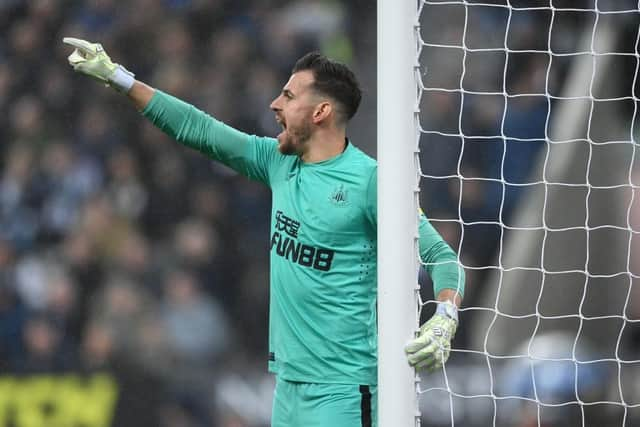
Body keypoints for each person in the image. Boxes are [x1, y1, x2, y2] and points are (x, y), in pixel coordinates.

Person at [62, 37, 465, 427]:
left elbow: (442, 257)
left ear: (320, 111)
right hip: (288, 388)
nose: (274, 104)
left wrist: (444, 317)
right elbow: (199, 129)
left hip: (343, 390)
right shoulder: (278, 162)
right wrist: (119, 77)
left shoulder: (369, 183)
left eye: (289, 97)